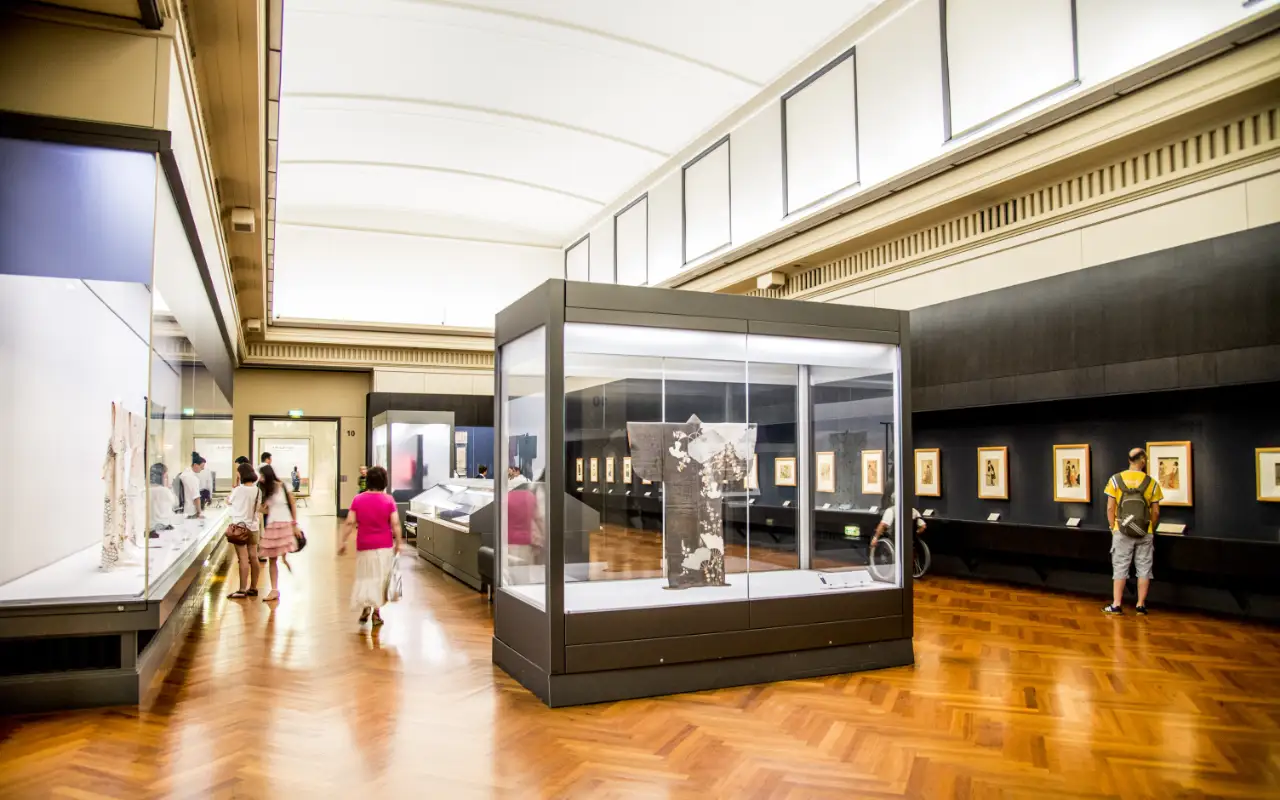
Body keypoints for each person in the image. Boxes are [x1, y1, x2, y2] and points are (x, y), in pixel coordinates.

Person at [338, 466, 402, 626]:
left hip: (364, 545)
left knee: (365, 576)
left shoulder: (358, 499)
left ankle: (365, 607)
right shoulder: (388, 500)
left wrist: (343, 541)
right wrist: (399, 543)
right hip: (384, 545)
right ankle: (376, 613)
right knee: (379, 578)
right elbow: (395, 523)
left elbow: (350, 522)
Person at [1102, 447, 1162, 616]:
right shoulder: (1151, 483)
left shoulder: (1115, 480)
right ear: (1144, 461)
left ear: (1129, 460)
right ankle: (1141, 605)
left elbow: (1110, 507)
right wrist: (1150, 526)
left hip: (1121, 529)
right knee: (1144, 568)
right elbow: (1156, 511)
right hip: (1145, 531)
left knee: (1120, 567)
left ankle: (1116, 604)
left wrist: (1111, 526)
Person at [257, 464, 299, 602]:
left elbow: (292, 504)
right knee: (272, 559)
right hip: (272, 525)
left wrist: (295, 524)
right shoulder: (265, 490)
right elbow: (266, 509)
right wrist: (259, 508)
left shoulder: (283, 486)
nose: (261, 478)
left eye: (262, 475)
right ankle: (274, 589)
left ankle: (287, 563)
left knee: (283, 553)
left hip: (285, 524)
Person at [225, 463, 261, 599]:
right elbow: (258, 508)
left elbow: (228, 502)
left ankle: (241, 589)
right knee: (253, 556)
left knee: (243, 558)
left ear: (241, 474)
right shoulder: (258, 490)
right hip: (253, 527)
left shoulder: (238, 490)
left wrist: (235, 485)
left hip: (239, 528)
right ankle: (253, 587)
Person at [148, 463, 179, 535]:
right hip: (163, 526)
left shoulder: (146, 490)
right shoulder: (164, 490)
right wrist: (168, 487)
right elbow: (176, 503)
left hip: (152, 527)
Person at [174, 453, 206, 518]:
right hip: (191, 512)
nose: (203, 469)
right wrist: (199, 513)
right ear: (195, 465)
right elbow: (196, 497)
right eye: (201, 466)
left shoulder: (184, 474)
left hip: (183, 511)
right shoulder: (192, 478)